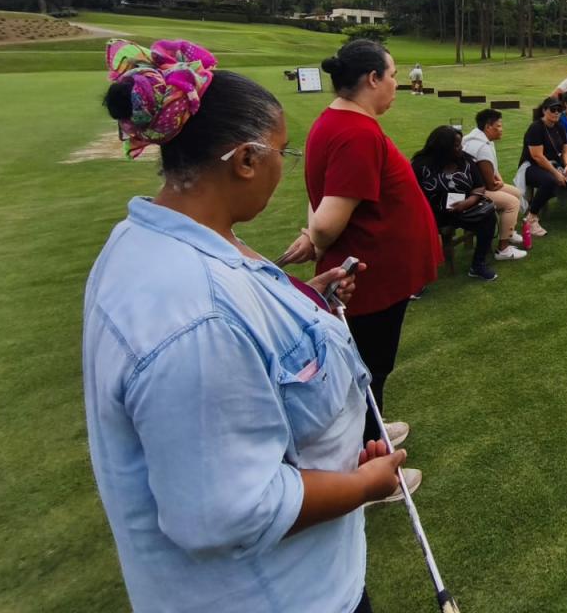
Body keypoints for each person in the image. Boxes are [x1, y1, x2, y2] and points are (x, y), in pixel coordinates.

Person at [85, 39, 410, 613]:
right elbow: (228, 511)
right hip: (280, 597)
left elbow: (249, 356)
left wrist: (306, 298)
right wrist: (365, 485)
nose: (285, 169)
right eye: (282, 153)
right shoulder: (195, 319)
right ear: (244, 160)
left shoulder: (160, 237)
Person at [281, 39, 441, 446]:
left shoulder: (341, 122)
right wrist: (314, 238)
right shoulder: (356, 134)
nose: (396, 84)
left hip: (377, 274)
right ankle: (370, 453)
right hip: (369, 279)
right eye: (393, 76)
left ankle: (372, 428)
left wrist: (313, 234)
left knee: (368, 365)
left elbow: (322, 199)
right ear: (372, 78)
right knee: (371, 367)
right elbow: (327, 222)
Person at [411, 125, 505, 279]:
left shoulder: (465, 160)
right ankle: (418, 276)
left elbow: (480, 185)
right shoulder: (421, 165)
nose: (460, 148)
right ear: (442, 148)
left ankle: (478, 264)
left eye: (460, 144)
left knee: (489, 218)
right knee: (415, 230)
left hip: (463, 209)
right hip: (432, 212)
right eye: (455, 146)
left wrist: (469, 201)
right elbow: (411, 193)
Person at [517, 96, 567, 233]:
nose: (557, 112)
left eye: (559, 109)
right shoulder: (536, 128)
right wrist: (556, 173)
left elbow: (565, 149)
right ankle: (531, 217)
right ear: (544, 110)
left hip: (553, 164)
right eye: (553, 109)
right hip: (531, 166)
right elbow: (537, 156)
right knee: (550, 180)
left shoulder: (559, 126)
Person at [462, 108, 528, 260]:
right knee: (512, 202)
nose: (501, 129)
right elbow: (491, 186)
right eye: (498, 126)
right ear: (488, 127)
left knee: (516, 193)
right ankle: (503, 250)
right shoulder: (482, 146)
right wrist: (498, 184)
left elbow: (493, 171)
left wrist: (499, 182)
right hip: (474, 192)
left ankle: (508, 232)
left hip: (476, 186)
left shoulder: (478, 137)